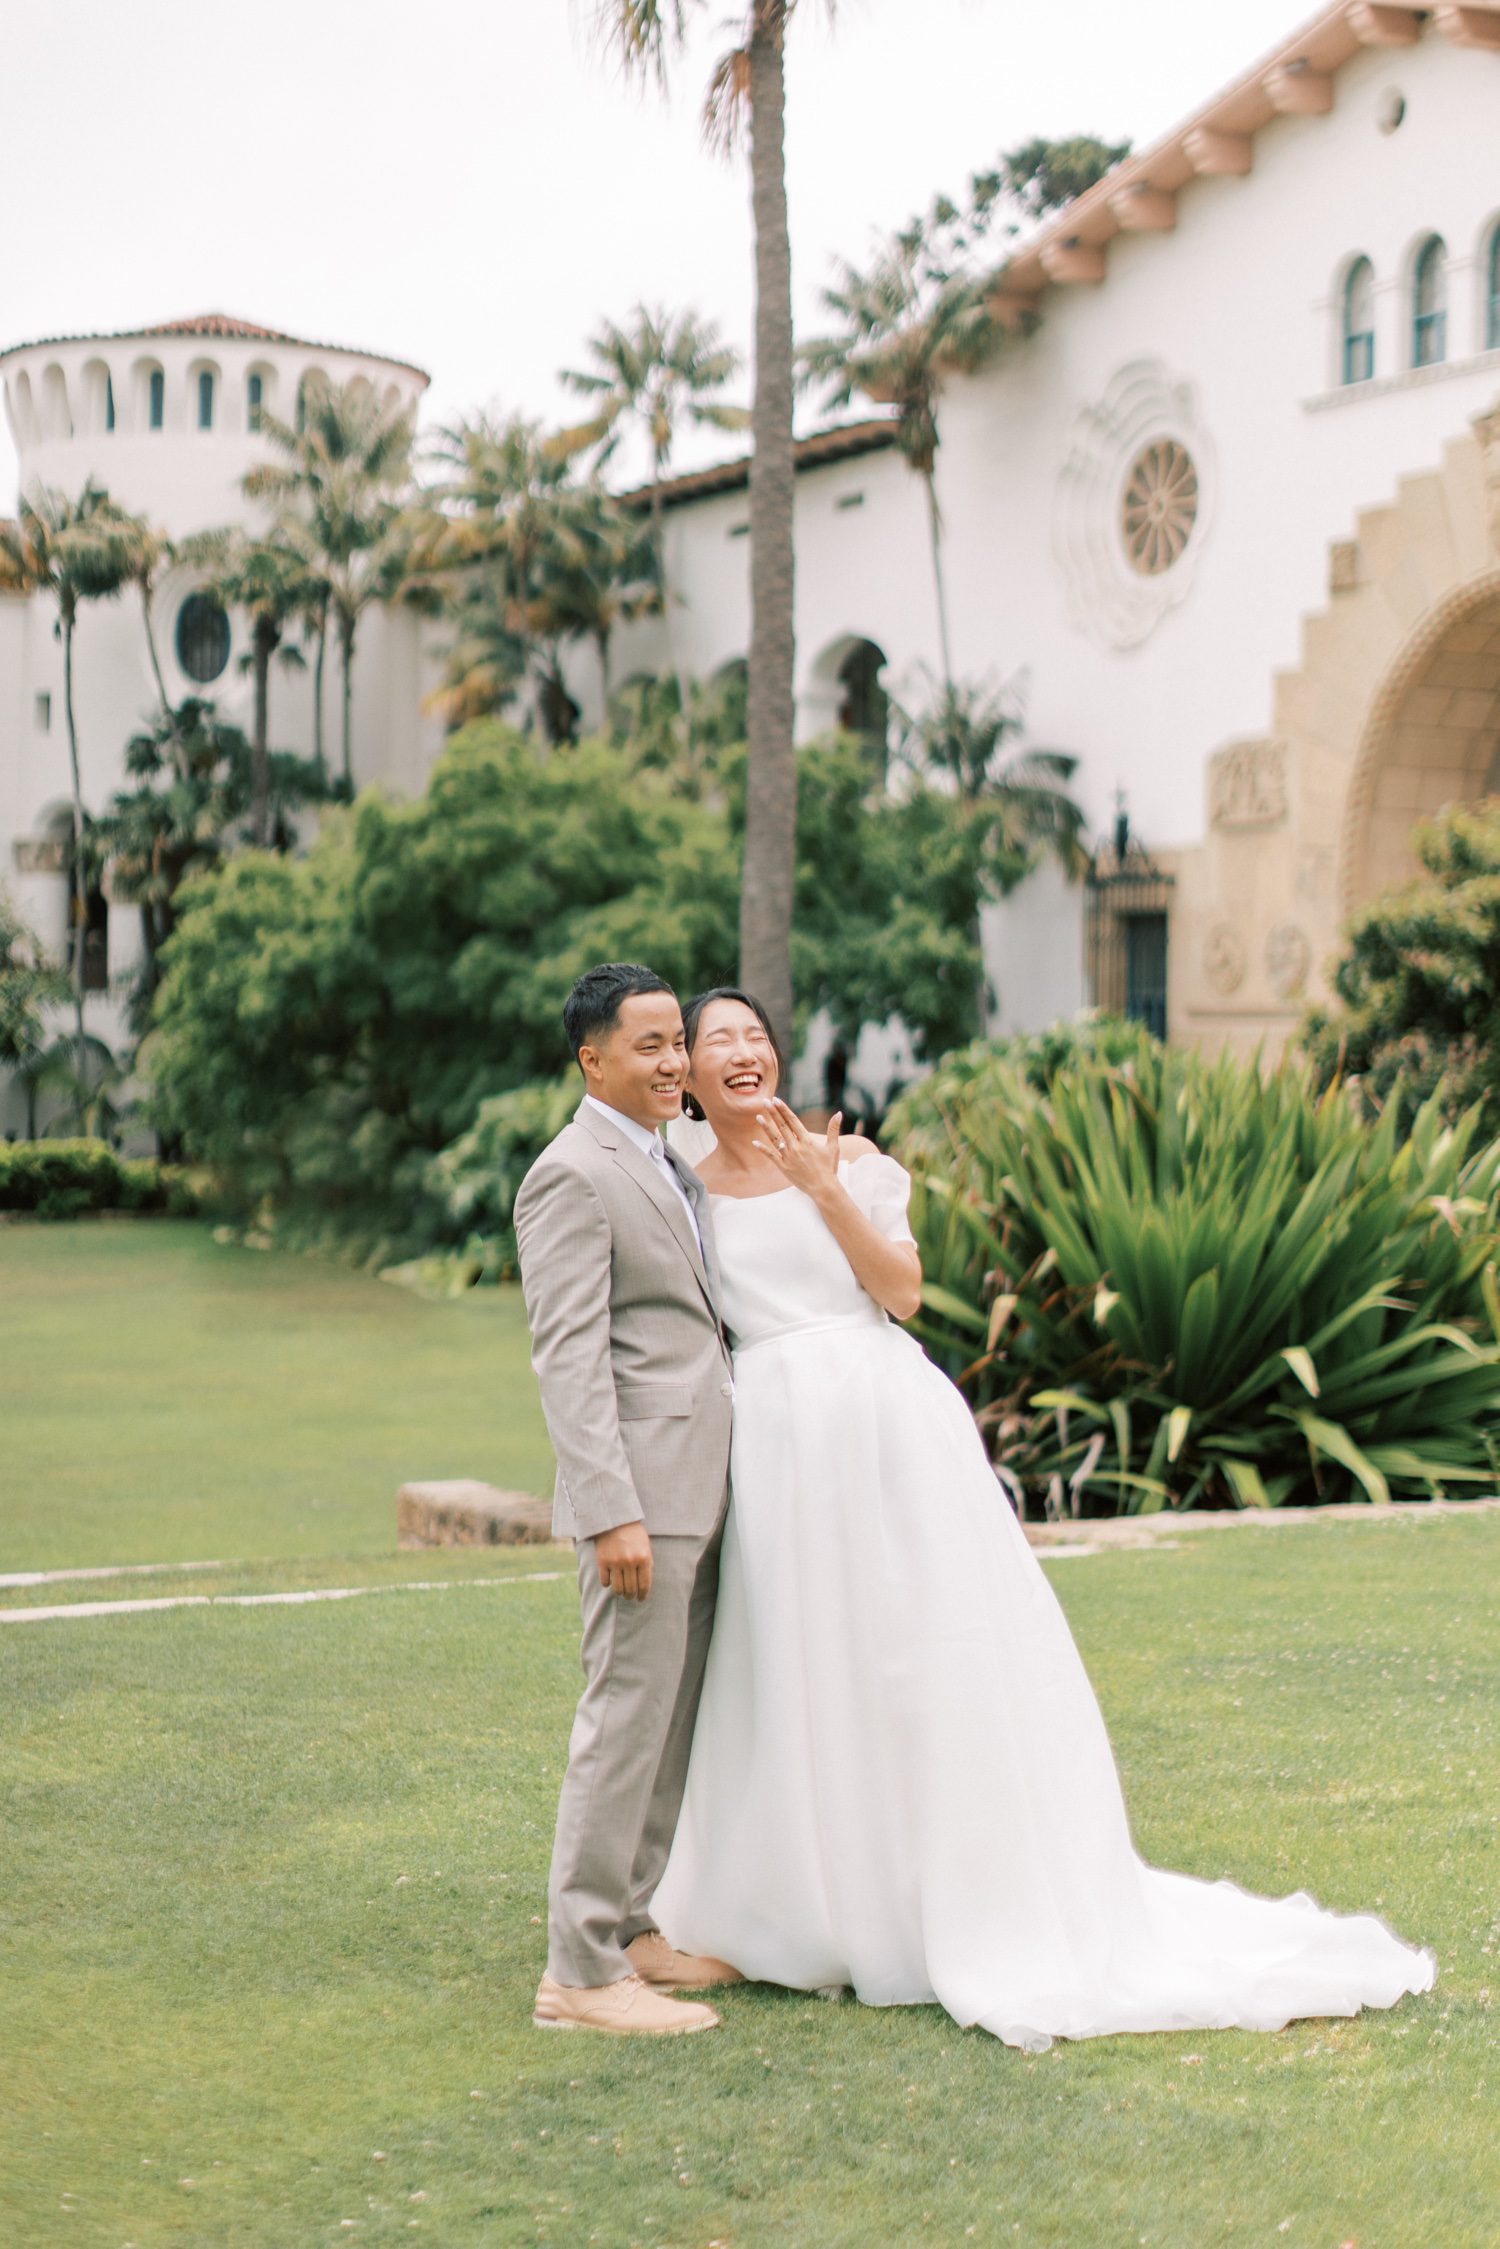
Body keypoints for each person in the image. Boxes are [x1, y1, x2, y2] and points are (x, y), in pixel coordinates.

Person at [652, 987, 1437, 2051]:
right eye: (717, 1043)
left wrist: (822, 1188)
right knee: (792, 1662)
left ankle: (941, 1895)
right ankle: (789, 1906)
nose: (743, 1053)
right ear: (687, 1076)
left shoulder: (855, 1163)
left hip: (884, 1428)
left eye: (756, 1037)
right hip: (777, 1445)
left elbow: (904, 1292)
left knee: (914, 1656)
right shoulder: (681, 1190)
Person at [514, 963, 744, 2037]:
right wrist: (610, 1510)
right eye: (646, 1045)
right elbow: (569, 1357)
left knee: (670, 1710)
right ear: (590, 1058)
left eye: (675, 1042)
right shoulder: (571, 1173)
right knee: (622, 1715)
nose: (671, 1062)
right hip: (640, 1495)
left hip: (697, 1483)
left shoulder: (669, 1158)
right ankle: (578, 1969)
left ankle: (632, 1928)